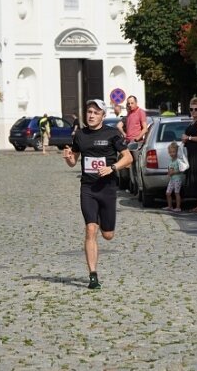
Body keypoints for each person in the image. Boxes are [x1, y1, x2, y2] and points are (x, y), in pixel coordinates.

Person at [64, 99, 132, 289]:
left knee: (108, 235)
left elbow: (128, 158)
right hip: (88, 189)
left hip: (107, 189)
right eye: (89, 112)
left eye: (96, 112)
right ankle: (93, 275)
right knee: (90, 229)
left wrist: (112, 167)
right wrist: (69, 158)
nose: (91, 115)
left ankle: (102, 220)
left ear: (103, 115)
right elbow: (73, 160)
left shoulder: (112, 133)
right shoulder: (80, 135)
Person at [163, 141, 184, 212]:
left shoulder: (178, 161)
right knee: (168, 193)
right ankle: (170, 206)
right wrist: (168, 173)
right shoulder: (171, 160)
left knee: (176, 193)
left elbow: (181, 170)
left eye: (173, 152)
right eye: (170, 152)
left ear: (177, 152)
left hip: (177, 179)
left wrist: (174, 172)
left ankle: (178, 207)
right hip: (172, 179)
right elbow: (169, 169)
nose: (172, 154)